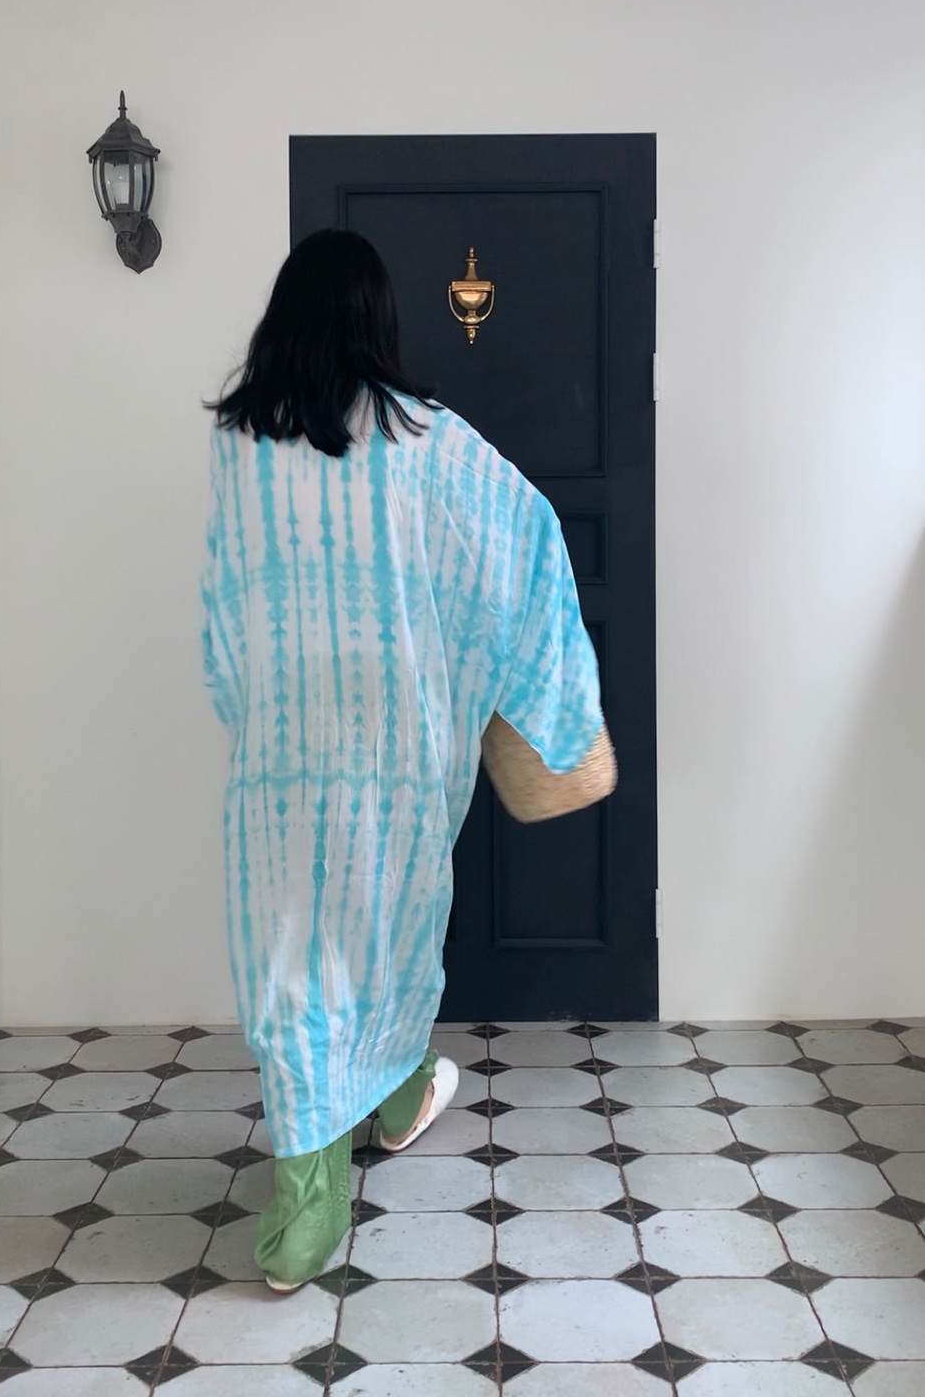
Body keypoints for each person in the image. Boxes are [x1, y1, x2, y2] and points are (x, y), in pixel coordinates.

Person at [201, 229, 605, 1292]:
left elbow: (225, 600)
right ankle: (371, 1123)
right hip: (393, 752)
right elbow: (527, 535)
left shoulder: (241, 446)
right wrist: (549, 703)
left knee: (291, 963)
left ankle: (333, 1169)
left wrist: (245, 709)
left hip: (280, 762)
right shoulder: (427, 440)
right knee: (384, 929)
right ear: (378, 321)